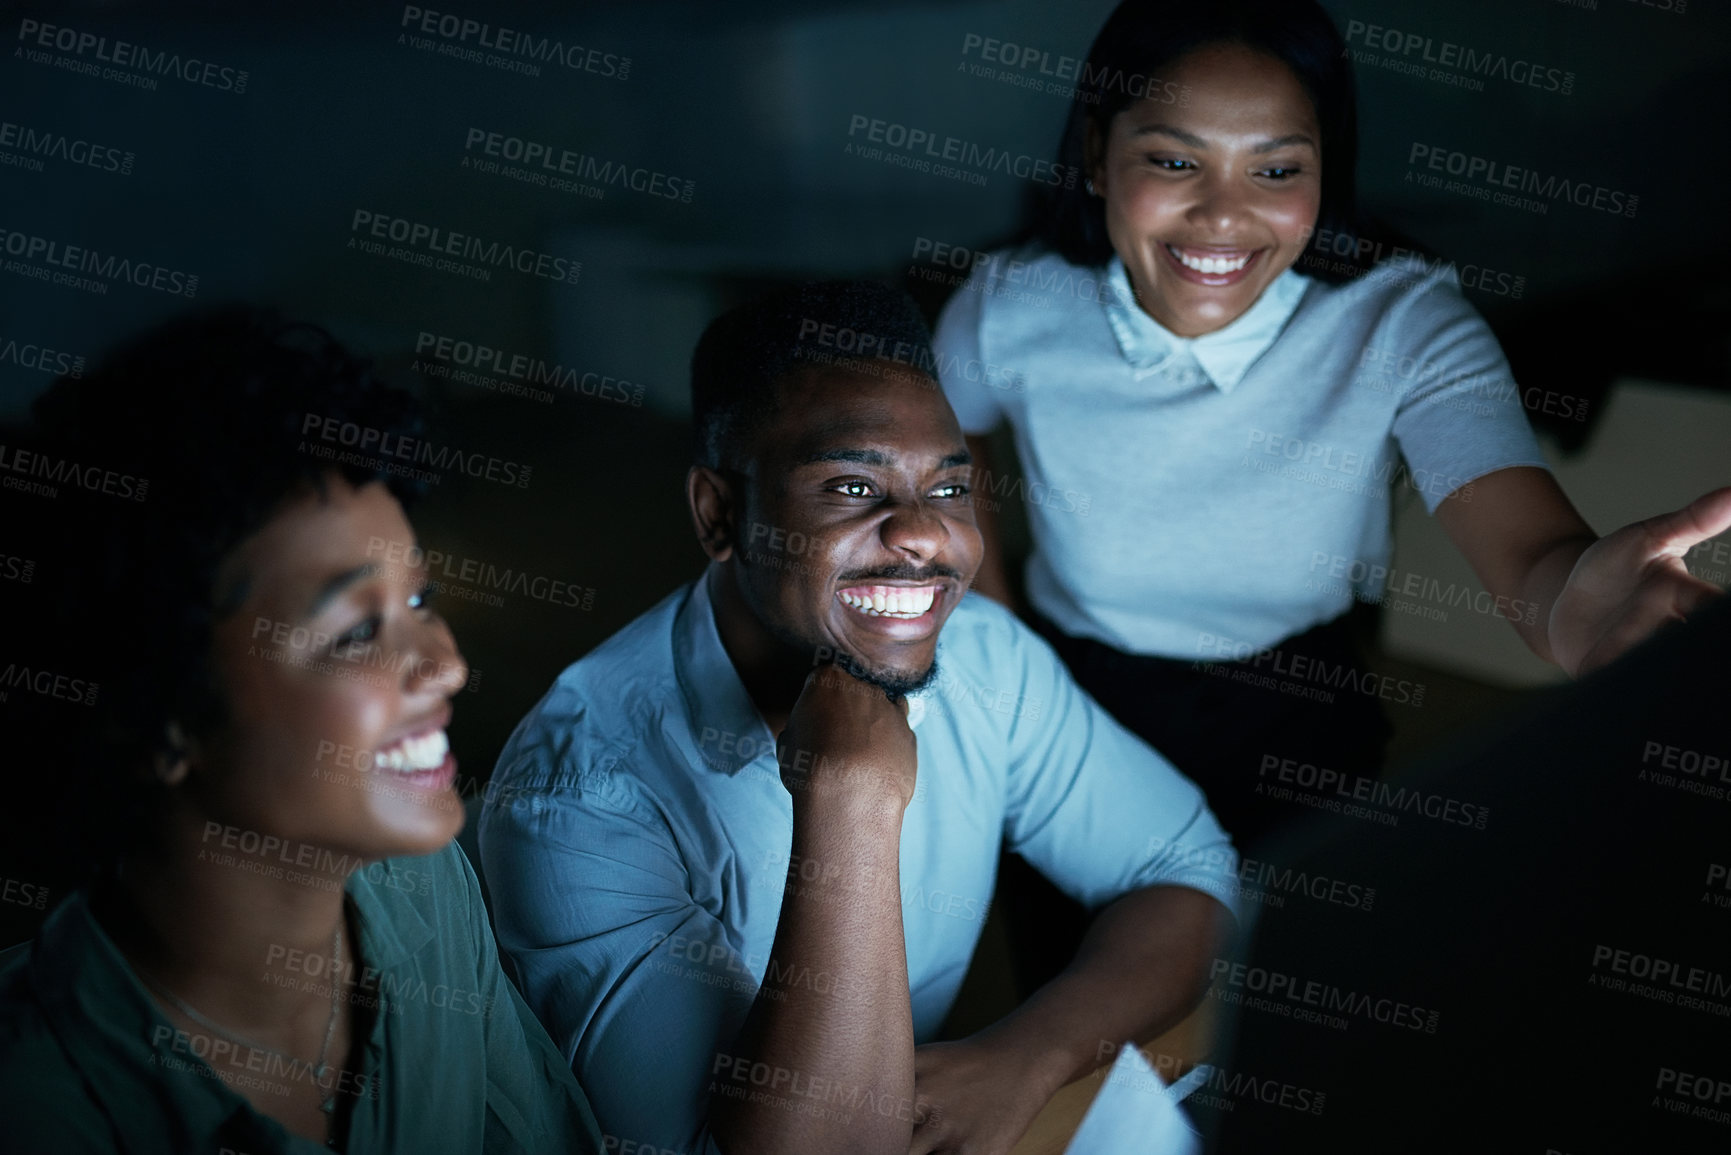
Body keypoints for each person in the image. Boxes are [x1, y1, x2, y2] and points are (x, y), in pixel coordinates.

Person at [934, 0, 1731, 862]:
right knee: (1086, 954)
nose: (1222, 215)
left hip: (1297, 692)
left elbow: (1530, 550)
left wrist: (1575, 603)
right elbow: (949, 439)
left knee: (1285, 951)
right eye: (1172, 159)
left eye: (1275, 171)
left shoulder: (1403, 323)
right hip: (1073, 686)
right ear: (1096, 154)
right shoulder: (1014, 302)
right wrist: (993, 625)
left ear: (1325, 172)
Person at [478, 281, 1240, 1155]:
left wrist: (1023, 1056)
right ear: (718, 514)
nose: (921, 535)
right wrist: (848, 804)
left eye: (948, 489)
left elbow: (1186, 867)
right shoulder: (576, 796)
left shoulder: (987, 655)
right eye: (851, 484)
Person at [0, 308, 605, 1154]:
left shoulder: (424, 887)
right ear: (160, 720)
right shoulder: (40, 1110)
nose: (446, 664)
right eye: (358, 630)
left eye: (419, 600)